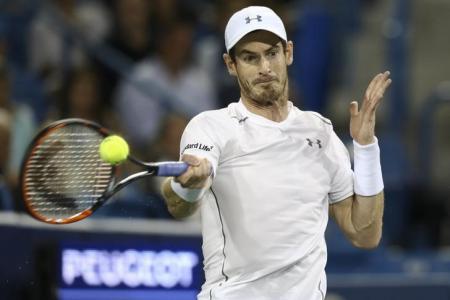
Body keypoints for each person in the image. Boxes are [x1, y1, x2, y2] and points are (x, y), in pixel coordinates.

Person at [160, 6, 391, 300]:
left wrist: (367, 148)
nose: (264, 68)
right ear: (230, 64)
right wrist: (188, 184)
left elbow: (365, 234)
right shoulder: (210, 127)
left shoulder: (320, 133)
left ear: (289, 53)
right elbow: (180, 206)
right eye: (249, 58)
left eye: (272, 53)